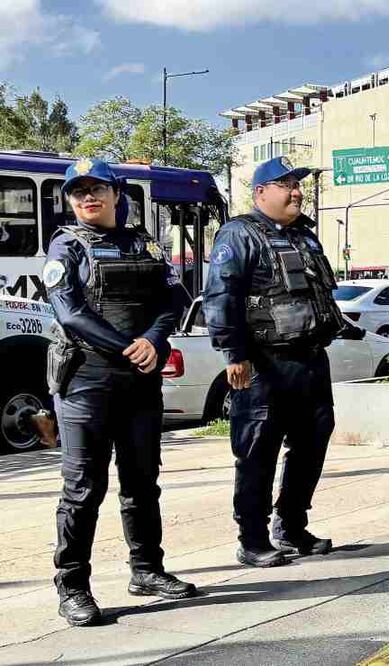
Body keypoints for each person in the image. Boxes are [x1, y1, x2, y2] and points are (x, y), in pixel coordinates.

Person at [43, 158, 196, 626]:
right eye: (78, 192)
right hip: (86, 382)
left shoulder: (144, 243)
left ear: (115, 194)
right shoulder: (66, 247)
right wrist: (132, 348)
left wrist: (154, 340)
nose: (88, 197)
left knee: (142, 481)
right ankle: (72, 587)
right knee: (84, 487)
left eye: (97, 189)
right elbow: (71, 314)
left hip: (139, 382)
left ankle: (147, 569)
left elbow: (175, 298)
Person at [204, 157, 346, 565]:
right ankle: (252, 538)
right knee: (257, 450)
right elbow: (221, 296)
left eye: (298, 184)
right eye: (285, 184)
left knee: (312, 443)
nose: (296, 191)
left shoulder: (305, 237)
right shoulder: (240, 235)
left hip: (310, 360)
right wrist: (234, 353)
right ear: (261, 192)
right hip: (263, 364)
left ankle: (292, 527)